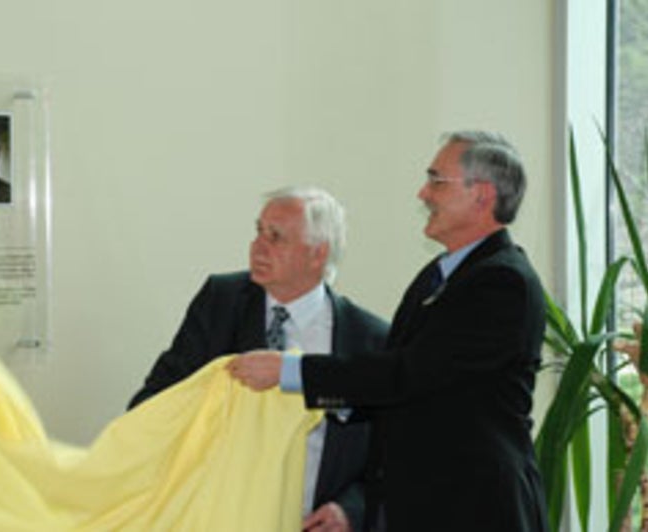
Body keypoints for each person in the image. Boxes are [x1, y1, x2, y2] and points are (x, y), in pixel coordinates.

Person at [229, 131, 549, 531]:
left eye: (437, 181)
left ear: (481, 195)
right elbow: (399, 387)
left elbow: (407, 374)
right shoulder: (439, 277)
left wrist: (291, 372)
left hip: (474, 507)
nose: (423, 194)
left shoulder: (502, 282)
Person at [128, 186, 390, 531]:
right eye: (258, 231)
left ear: (317, 254)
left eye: (276, 237)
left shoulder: (368, 338)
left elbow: (392, 455)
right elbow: (158, 396)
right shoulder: (220, 302)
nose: (258, 246)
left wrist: (352, 510)